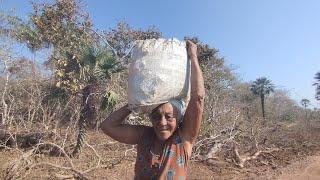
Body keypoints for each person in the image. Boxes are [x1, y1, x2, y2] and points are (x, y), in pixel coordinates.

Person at [101, 40, 205, 180]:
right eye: (156, 116)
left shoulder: (184, 139)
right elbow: (107, 126)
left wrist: (193, 56)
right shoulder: (144, 135)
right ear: (150, 118)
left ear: (178, 117)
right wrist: (135, 102)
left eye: (169, 116)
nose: (162, 122)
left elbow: (198, 98)